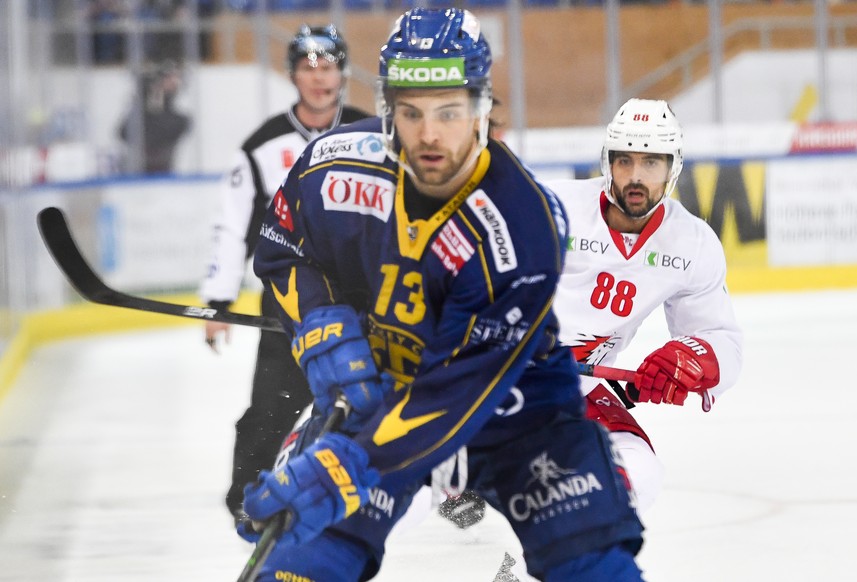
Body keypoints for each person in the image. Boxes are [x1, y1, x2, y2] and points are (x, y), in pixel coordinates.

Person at [243, 8, 644, 581]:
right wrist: (322, 325)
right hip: (381, 395)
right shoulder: (331, 168)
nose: (429, 134)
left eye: (449, 112)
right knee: (300, 567)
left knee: (592, 566)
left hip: (516, 412)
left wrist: (345, 465)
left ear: (482, 110)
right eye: (411, 113)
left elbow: (454, 394)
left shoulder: (523, 226)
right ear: (387, 111)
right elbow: (285, 246)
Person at [198, 24, 368, 525]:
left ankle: (394, 488)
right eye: (308, 67)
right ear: (292, 74)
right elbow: (230, 225)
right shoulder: (261, 145)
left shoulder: (371, 132)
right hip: (288, 296)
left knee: (371, 395)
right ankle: (246, 495)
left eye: (328, 65)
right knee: (274, 402)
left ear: (343, 71)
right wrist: (218, 302)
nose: (319, 77)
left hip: (361, 297)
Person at [548, 98, 743, 513]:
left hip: (576, 387)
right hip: (491, 377)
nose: (635, 177)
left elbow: (721, 339)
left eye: (651, 163)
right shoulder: (553, 208)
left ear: (673, 168)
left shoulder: (692, 243)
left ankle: (531, 564)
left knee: (637, 471)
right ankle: (458, 482)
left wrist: (693, 359)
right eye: (625, 161)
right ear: (607, 162)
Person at [118, 60, 191, 174]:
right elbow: (123, 133)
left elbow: (160, 134)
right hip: (134, 175)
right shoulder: (139, 114)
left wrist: (154, 103)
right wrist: (144, 99)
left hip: (163, 174)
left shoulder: (180, 121)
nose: (174, 82)